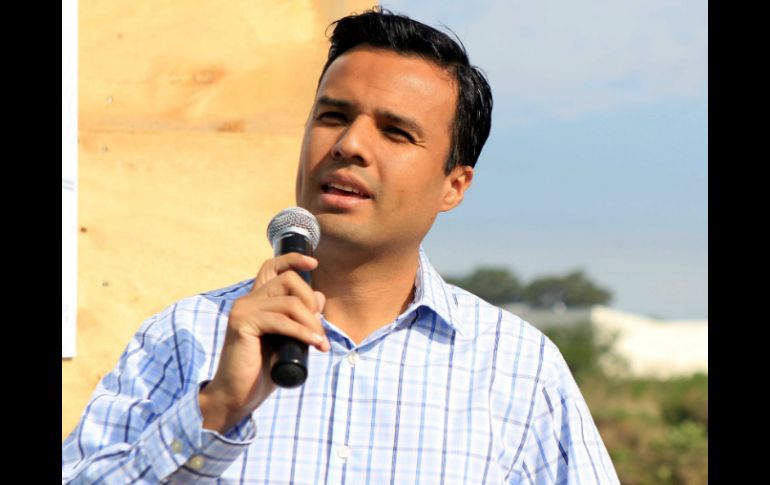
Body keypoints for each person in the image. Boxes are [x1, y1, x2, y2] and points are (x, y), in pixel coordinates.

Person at [62, 8, 620, 484]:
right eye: (333, 116)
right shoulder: (185, 336)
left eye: (395, 132)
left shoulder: (516, 368)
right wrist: (216, 409)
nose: (350, 144)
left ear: (454, 186)